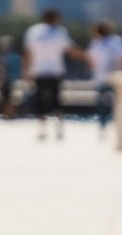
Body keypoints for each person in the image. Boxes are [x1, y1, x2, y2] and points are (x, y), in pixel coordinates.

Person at [23, 8, 83, 141]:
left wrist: (26, 71)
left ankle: (42, 129)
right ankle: (58, 127)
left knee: (40, 101)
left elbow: (28, 53)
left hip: (39, 71)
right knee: (56, 100)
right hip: (55, 71)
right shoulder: (60, 31)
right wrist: (85, 56)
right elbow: (70, 50)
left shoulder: (34, 31)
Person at [86, 20, 122, 136]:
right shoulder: (119, 41)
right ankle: (120, 127)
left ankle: (103, 128)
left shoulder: (95, 43)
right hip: (117, 77)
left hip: (101, 78)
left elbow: (91, 62)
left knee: (102, 105)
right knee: (118, 103)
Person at [0, 34, 21, 118]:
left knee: (6, 98)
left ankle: (8, 114)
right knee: (10, 98)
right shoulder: (15, 56)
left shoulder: (3, 57)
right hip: (13, 79)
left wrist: (0, 81)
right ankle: (10, 114)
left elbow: (1, 70)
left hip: (6, 80)